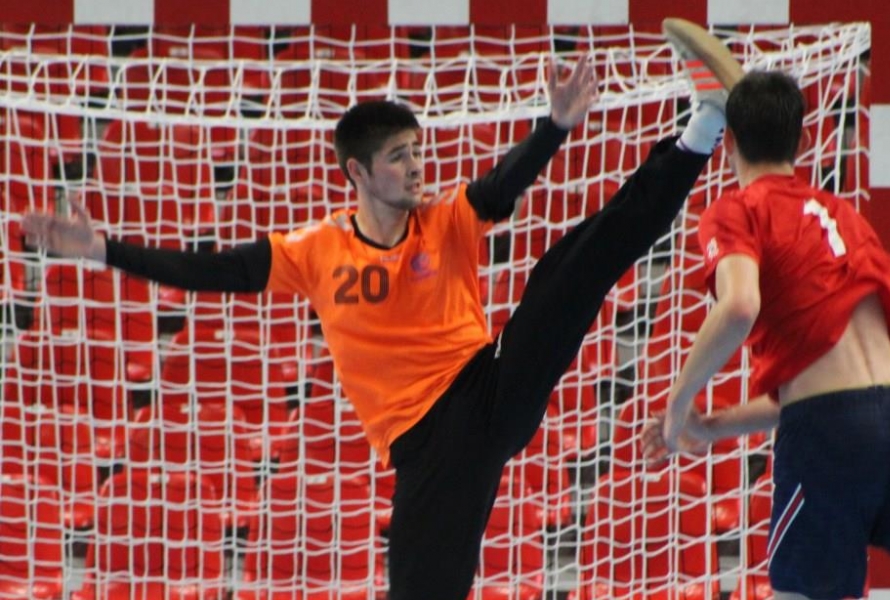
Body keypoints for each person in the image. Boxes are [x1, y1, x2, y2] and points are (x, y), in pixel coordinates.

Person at [21, 33, 739, 598]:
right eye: (399, 158)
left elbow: (503, 183)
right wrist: (101, 249)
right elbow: (211, 273)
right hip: (428, 445)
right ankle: (701, 127)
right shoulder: (315, 249)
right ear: (357, 173)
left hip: (486, 386)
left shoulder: (444, 220)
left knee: (575, 264)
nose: (417, 168)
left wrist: (553, 128)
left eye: (418, 152)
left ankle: (702, 128)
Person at [640, 70, 890, 600]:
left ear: (729, 144)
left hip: (827, 436)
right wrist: (711, 425)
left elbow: (739, 306)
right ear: (805, 142)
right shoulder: (846, 216)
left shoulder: (736, 210)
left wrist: (677, 407)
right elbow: (847, 385)